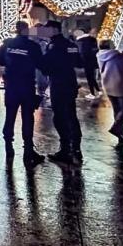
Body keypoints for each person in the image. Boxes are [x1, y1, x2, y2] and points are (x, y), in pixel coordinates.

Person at [0, 21, 46, 166]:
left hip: (11, 85)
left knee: (10, 116)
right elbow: (41, 64)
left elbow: (0, 61)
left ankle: (8, 147)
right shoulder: (33, 46)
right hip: (27, 85)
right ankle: (28, 151)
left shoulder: (7, 44)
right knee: (27, 118)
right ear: (26, 30)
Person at [40, 20, 84, 163]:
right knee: (72, 116)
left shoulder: (53, 46)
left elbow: (46, 66)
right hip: (70, 83)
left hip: (59, 84)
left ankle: (66, 150)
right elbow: (78, 62)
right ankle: (76, 149)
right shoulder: (71, 45)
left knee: (59, 117)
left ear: (53, 30)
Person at [97, 39, 123, 145]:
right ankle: (116, 127)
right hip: (122, 85)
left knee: (117, 109)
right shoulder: (118, 56)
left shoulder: (100, 55)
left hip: (108, 84)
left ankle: (121, 134)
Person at [74, 29, 101, 100]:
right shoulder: (92, 39)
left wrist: (80, 62)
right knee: (92, 78)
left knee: (90, 78)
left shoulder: (81, 41)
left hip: (87, 62)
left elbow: (82, 53)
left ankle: (92, 94)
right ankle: (99, 91)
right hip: (94, 61)